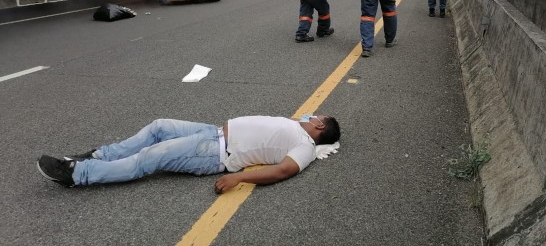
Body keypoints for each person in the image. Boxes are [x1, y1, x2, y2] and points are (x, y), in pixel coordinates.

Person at [36, 115, 341, 193]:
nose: (314, 116)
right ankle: (99, 157)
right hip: (211, 131)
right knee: (159, 126)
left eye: (319, 118)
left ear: (320, 128)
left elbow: (282, 171)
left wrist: (239, 178)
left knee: (151, 157)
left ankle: (78, 174)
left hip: (215, 153)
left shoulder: (306, 147)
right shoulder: (300, 124)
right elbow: (304, 116)